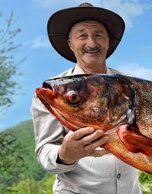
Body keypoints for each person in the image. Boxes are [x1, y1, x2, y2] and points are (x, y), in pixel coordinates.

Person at [31, 3, 141, 194]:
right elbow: (44, 153)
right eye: (82, 35)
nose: (91, 43)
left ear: (108, 42)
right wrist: (65, 153)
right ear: (70, 44)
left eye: (98, 35)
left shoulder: (132, 86)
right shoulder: (53, 92)